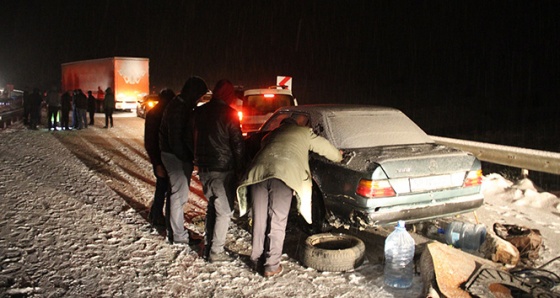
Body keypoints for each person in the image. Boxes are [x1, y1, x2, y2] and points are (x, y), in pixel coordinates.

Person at [236, 117, 343, 277]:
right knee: (277, 220)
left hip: (257, 174)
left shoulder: (270, 135)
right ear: (296, 124)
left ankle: (257, 258)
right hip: (283, 175)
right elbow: (325, 148)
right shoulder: (304, 132)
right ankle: (271, 266)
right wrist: (339, 156)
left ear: (281, 125)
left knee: (260, 218)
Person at [193, 79, 245, 263]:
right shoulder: (230, 114)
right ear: (229, 95)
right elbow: (237, 144)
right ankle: (216, 252)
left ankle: (207, 244)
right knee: (224, 211)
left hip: (204, 168)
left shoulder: (199, 112)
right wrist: (240, 169)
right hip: (222, 169)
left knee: (211, 207)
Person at [159, 76, 208, 245]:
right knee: (178, 195)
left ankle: (173, 231)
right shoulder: (179, 108)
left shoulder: (181, 104)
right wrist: (189, 158)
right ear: (192, 92)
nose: (200, 99)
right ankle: (178, 236)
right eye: (199, 95)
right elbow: (176, 141)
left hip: (173, 154)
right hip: (175, 156)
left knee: (176, 194)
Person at [144, 88, 175, 227]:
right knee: (165, 187)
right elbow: (151, 140)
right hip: (163, 156)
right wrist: (157, 163)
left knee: (162, 186)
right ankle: (157, 215)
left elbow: (149, 141)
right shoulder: (164, 113)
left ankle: (156, 213)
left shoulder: (153, 112)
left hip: (160, 156)